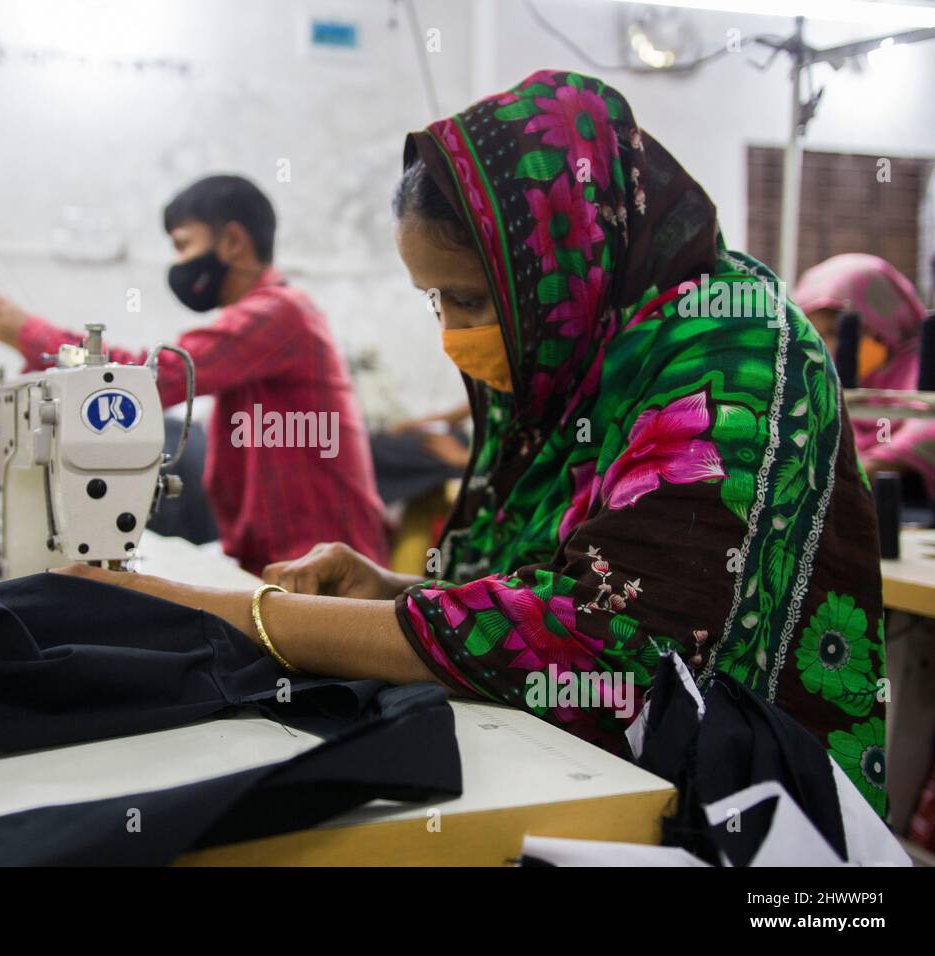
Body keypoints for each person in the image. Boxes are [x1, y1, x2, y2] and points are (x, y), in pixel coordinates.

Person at [55, 70, 890, 817]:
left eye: (466, 299)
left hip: (755, 822)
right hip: (588, 783)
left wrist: (237, 615)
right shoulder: (568, 359)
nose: (452, 336)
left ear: (559, 270)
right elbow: (534, 590)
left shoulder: (730, 349)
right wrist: (392, 589)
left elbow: (609, 641)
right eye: (435, 305)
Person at [0, 174, 387, 576]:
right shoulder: (266, 322)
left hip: (326, 573)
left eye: (183, 244)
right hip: (284, 563)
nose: (178, 262)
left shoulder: (280, 313)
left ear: (233, 241)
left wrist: (18, 327)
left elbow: (147, 382)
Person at [795, 253, 935, 493]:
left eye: (836, 333)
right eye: (815, 335)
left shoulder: (924, 370)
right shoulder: (817, 389)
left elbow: (928, 430)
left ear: (882, 324)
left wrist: (874, 465)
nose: (825, 347)